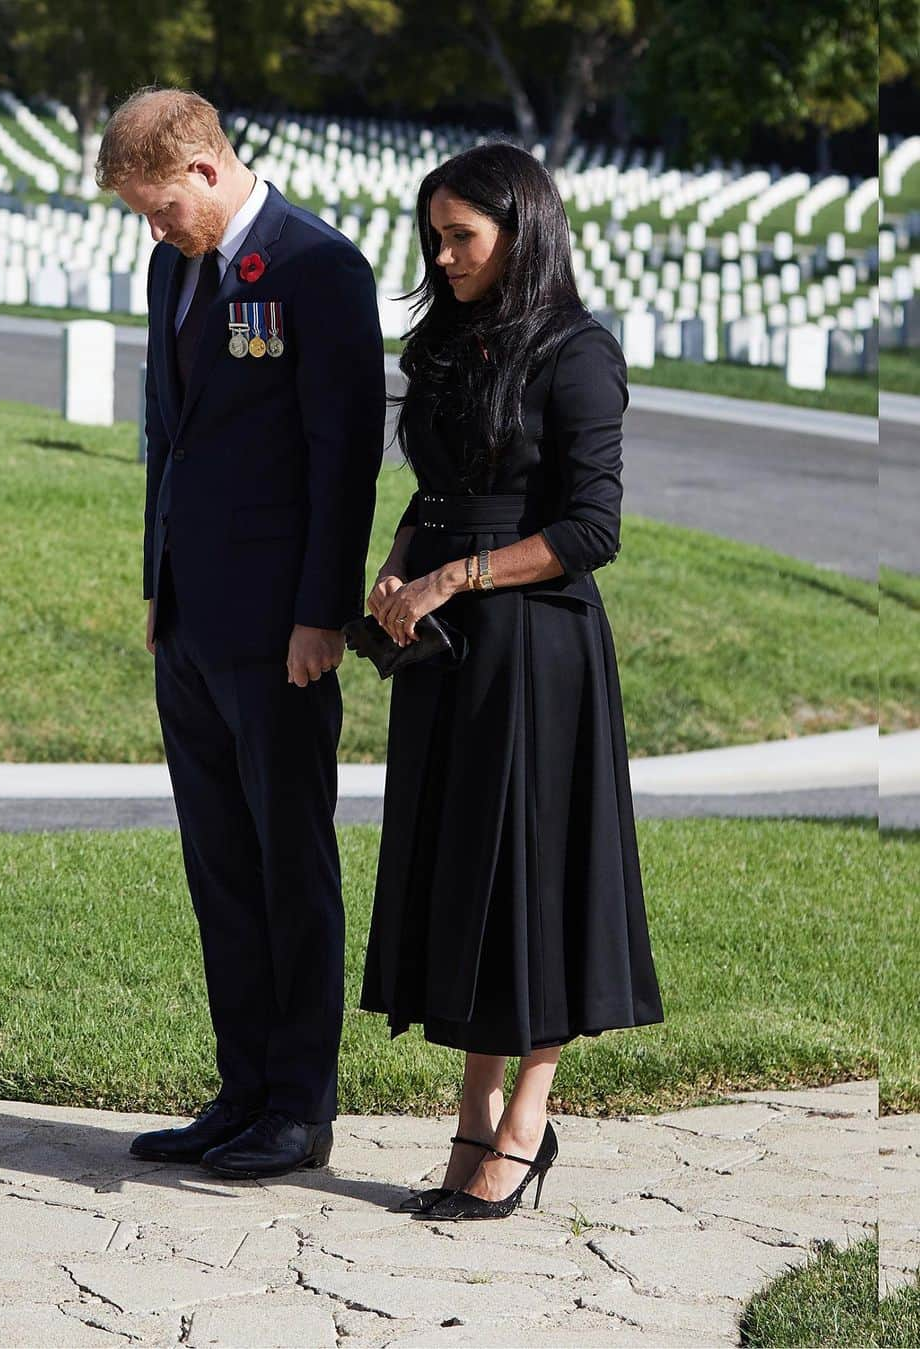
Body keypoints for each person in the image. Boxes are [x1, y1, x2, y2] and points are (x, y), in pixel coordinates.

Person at [360, 142, 664, 1221]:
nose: (442, 258)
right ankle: (471, 1106)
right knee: (466, 886)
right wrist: (401, 560)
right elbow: (436, 485)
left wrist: (452, 574)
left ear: (522, 231)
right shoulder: (450, 340)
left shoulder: (580, 354)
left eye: (461, 238)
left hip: (538, 654)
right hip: (447, 658)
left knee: (531, 893)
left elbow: (591, 528)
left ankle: (523, 1121)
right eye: (433, 238)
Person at [95, 89, 386, 1178]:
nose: (155, 229)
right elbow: (172, 438)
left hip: (280, 631)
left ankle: (299, 1107)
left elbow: (341, 456)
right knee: (219, 863)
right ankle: (241, 1087)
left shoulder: (320, 268)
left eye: (164, 206)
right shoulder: (177, 265)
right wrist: (156, 583)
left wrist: (323, 613)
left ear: (209, 169)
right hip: (190, 620)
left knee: (288, 862)